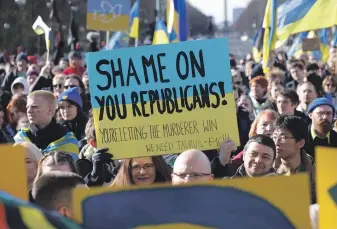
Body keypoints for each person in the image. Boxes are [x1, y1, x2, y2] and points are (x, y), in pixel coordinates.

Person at [211, 109, 279, 178]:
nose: (258, 160)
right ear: (244, 155)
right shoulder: (231, 177)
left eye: (265, 157)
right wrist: (221, 162)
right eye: (253, 154)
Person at [14, 90, 79, 157]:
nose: (29, 111)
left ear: (49, 110)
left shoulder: (67, 140)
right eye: (27, 107)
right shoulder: (21, 139)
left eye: (34, 107)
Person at [272, 115, 316, 203]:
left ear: (300, 143)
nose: (276, 142)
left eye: (283, 137)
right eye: (274, 137)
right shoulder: (266, 170)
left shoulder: (317, 174)